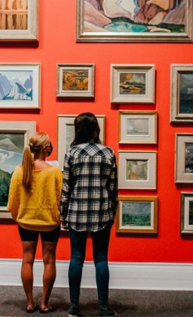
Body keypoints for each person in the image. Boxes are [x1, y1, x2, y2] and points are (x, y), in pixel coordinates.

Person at [60, 113, 118, 317]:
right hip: (102, 211)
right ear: (96, 129)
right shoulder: (108, 152)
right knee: (101, 259)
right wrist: (113, 212)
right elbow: (112, 188)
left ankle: (74, 307)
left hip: (76, 211)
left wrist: (63, 213)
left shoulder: (72, 153)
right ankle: (103, 308)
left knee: (76, 258)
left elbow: (66, 187)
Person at [7, 132, 62, 314]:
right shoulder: (54, 172)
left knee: (27, 260)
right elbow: (60, 198)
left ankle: (30, 303)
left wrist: (19, 217)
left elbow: (13, 199)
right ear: (46, 149)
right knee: (49, 260)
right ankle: (45, 303)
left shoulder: (19, 170)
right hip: (50, 223)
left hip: (26, 222)